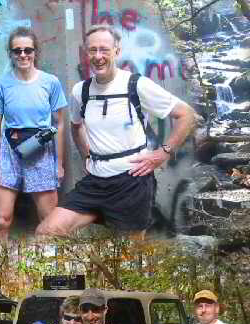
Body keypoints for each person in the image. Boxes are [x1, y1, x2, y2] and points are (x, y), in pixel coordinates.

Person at [35, 24, 196, 238]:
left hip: (132, 182)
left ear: (116, 51)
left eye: (104, 49)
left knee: (129, 255)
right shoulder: (80, 91)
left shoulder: (136, 85)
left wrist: (163, 153)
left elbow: (187, 114)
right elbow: (76, 126)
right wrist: (87, 157)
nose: (98, 56)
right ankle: (77, 273)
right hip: (95, 182)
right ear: (86, 53)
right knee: (47, 232)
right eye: (93, 50)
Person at [0, 27, 68, 245]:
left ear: (35, 52)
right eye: (17, 51)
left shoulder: (50, 83)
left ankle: (49, 270)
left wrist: (59, 164)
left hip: (41, 153)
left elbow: (60, 124)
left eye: (27, 50)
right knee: (2, 220)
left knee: (49, 222)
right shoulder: (0, 85)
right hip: (9, 154)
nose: (23, 55)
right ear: (11, 54)